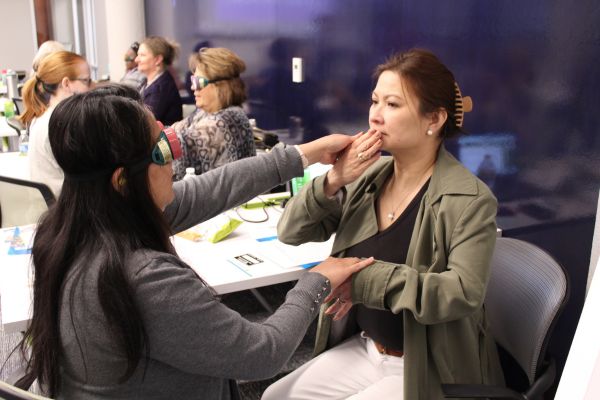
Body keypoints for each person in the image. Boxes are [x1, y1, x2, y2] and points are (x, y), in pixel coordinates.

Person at [16, 85, 375, 399]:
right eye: (161, 150)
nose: (173, 160)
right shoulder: (143, 278)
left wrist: (306, 153)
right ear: (122, 180)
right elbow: (261, 353)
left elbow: (212, 189)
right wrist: (318, 280)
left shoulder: (77, 224)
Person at [263, 49, 504, 399]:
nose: (375, 116)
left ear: (433, 119)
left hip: (424, 363)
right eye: (375, 101)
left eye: (392, 105)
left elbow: (463, 293)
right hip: (367, 347)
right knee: (275, 396)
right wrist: (333, 179)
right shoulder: (369, 176)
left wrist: (363, 281)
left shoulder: (469, 199)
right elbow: (291, 231)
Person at [172, 47, 256, 180]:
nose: (193, 87)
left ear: (221, 86)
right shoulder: (204, 112)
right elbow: (173, 131)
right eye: (193, 80)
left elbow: (176, 147)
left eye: (198, 82)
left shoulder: (226, 120)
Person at [19, 50, 92, 196]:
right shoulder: (63, 124)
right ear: (66, 84)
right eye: (86, 81)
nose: (91, 87)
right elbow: (88, 179)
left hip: (53, 208)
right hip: (67, 210)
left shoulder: (42, 117)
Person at [136, 36, 183, 125]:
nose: (136, 59)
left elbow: (146, 124)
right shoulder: (147, 82)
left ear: (158, 59)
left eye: (142, 55)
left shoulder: (162, 89)